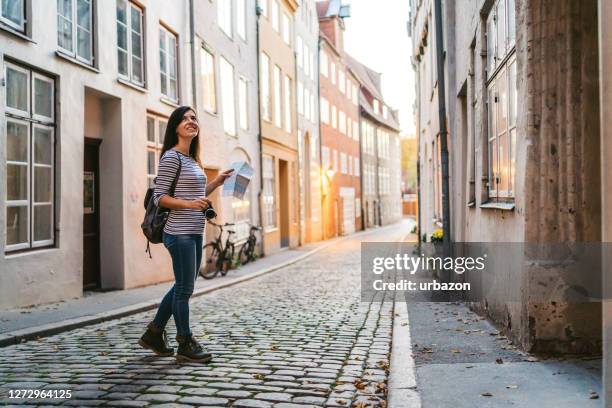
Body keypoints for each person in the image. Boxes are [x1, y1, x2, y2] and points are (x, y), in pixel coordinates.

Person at [138, 106, 233, 363]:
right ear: (176, 128)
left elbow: (197, 195)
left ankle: (154, 334)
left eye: (194, 118)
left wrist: (217, 182)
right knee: (184, 289)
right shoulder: (172, 157)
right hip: (178, 233)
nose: (191, 121)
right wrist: (190, 205)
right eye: (185, 119)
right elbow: (160, 197)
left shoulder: (192, 160)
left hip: (194, 231)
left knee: (183, 286)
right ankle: (185, 342)